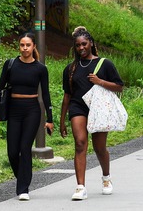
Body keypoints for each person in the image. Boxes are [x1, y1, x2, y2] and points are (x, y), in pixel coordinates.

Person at [60, 26, 124, 200]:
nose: (81, 48)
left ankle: (106, 178)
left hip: (98, 109)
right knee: (80, 143)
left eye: (84, 44)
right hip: (77, 107)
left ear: (91, 44)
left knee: (99, 147)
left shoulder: (105, 63)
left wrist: (100, 81)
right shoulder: (70, 69)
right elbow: (67, 96)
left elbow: (119, 86)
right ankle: (80, 187)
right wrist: (62, 120)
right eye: (78, 45)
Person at [0, 32, 53, 201]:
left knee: (25, 148)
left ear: (34, 47)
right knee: (12, 152)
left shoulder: (40, 68)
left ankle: (23, 188)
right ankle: (23, 178)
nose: (25, 48)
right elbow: (0, 87)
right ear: (19, 46)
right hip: (14, 110)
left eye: (28, 45)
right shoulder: (10, 64)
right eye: (22, 45)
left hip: (32, 110)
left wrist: (50, 119)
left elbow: (46, 95)